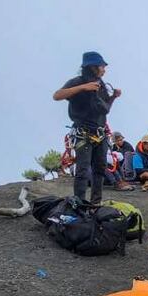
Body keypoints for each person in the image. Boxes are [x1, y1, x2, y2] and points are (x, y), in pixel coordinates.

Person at [52, 51, 122, 204]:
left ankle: (95, 203)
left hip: (100, 133)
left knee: (100, 168)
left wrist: (113, 97)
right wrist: (84, 87)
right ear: (93, 67)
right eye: (102, 66)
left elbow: (104, 109)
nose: (104, 69)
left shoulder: (101, 86)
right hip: (82, 132)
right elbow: (57, 95)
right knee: (83, 169)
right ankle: (80, 203)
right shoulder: (78, 81)